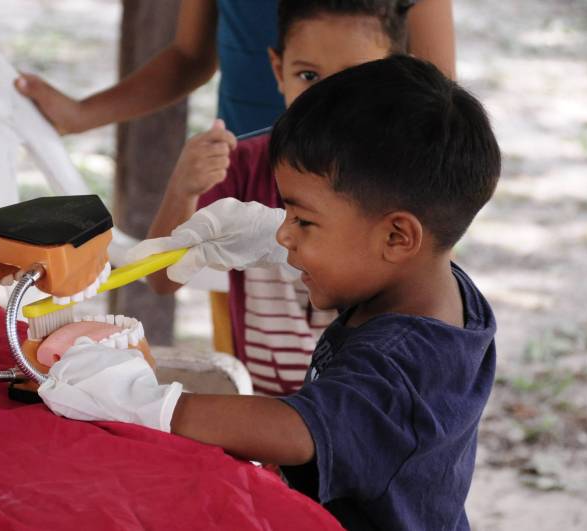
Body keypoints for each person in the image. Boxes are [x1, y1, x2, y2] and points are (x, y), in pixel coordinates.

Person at [38, 55, 502, 529]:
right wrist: (279, 238)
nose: (285, 233)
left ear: (397, 237)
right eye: (285, 216)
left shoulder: (403, 369)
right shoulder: (436, 289)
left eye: (303, 220)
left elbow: (295, 429)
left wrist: (141, 401)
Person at [143, 0, 417, 396]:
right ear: (278, 71)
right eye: (308, 75)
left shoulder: (406, 177)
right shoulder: (243, 167)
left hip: (358, 407)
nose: (328, 100)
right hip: (261, 415)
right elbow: (159, 279)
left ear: (394, 79)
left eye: (355, 79)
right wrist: (183, 189)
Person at [14, 0, 456, 136]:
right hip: (250, 193)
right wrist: (80, 115)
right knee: (250, 351)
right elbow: (189, 59)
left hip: (372, 193)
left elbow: (440, 101)